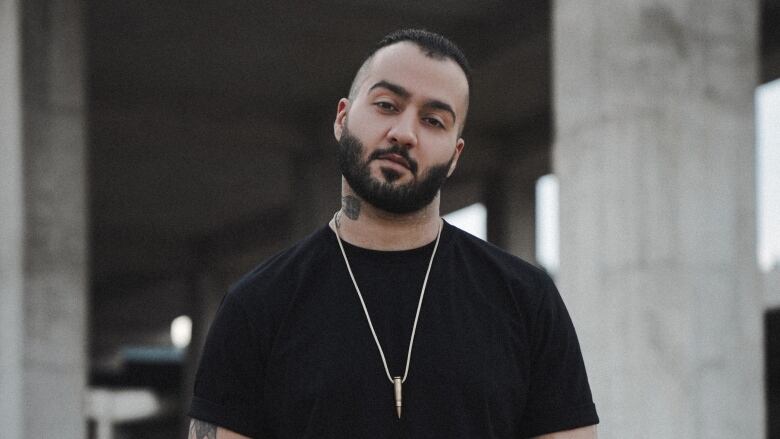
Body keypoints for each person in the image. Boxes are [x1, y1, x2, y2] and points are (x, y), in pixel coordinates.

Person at [188, 29, 599, 439]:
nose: (405, 132)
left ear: (455, 155)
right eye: (386, 105)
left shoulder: (526, 299)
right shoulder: (258, 304)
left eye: (433, 120)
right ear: (342, 117)